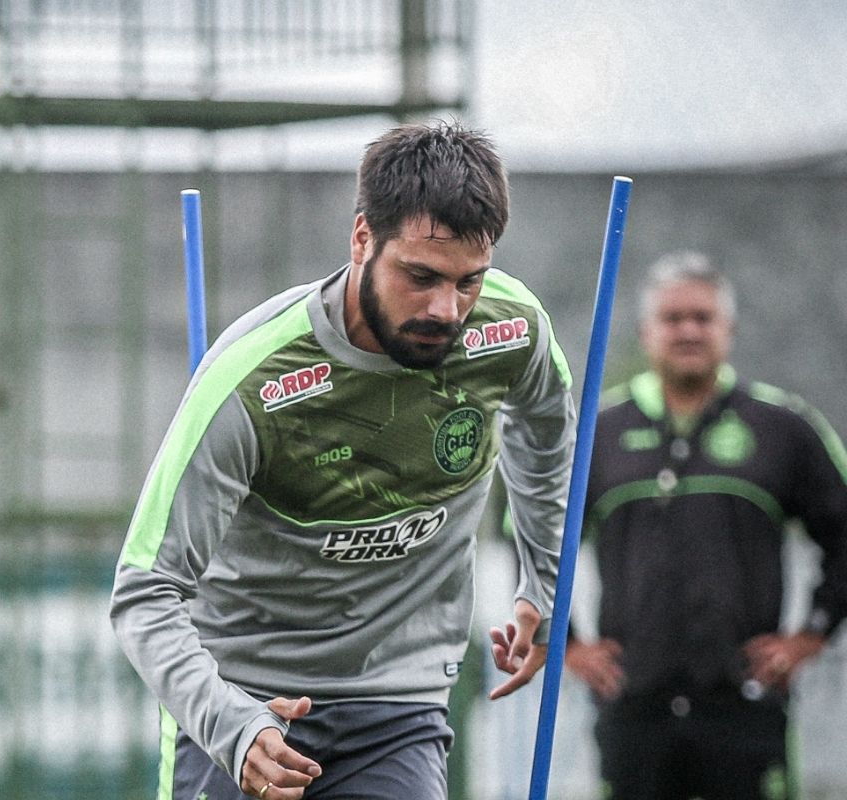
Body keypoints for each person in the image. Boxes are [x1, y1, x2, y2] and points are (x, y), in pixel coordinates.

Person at [110, 120, 577, 800]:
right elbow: (144, 593)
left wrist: (544, 583)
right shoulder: (252, 381)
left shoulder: (512, 330)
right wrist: (230, 725)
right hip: (248, 699)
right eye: (420, 276)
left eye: (469, 281)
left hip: (399, 705)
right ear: (362, 238)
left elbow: (547, 431)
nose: (446, 309)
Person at [566, 251, 847, 800]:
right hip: (632, 710)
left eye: (703, 317)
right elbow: (529, 536)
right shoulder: (597, 433)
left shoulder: (783, 427)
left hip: (744, 709)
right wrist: (568, 646)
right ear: (647, 332)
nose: (688, 330)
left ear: (729, 330)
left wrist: (811, 634)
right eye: (673, 319)